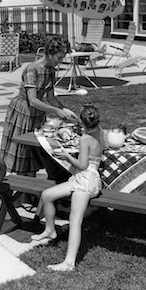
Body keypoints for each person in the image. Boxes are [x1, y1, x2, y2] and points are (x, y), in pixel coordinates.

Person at [31, 105, 104, 271]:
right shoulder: (100, 132)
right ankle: (50, 230)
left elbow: (82, 164)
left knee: (75, 220)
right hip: (85, 177)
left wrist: (67, 156)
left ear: (82, 122)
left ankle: (69, 263)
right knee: (47, 195)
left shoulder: (85, 139)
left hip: (86, 181)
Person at [0, 36, 78, 176]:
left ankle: (30, 189)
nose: (60, 62)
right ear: (49, 54)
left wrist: (63, 109)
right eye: (59, 57)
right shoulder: (32, 69)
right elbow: (33, 100)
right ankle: (20, 188)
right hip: (23, 112)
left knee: (33, 154)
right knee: (21, 150)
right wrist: (55, 111)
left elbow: (51, 97)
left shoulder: (50, 70)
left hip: (37, 113)